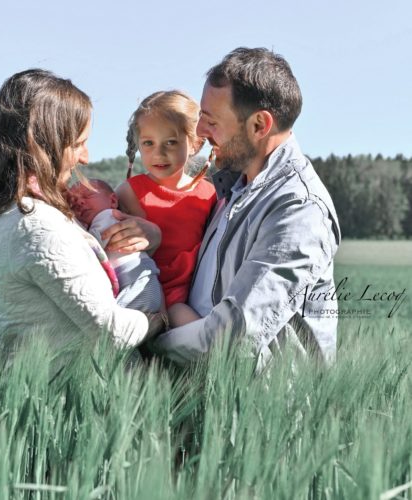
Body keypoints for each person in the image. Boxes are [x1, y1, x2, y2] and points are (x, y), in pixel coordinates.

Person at [151, 48, 341, 369]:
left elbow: (234, 336)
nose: (200, 132)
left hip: (264, 413)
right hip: (211, 401)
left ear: (259, 125)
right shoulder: (229, 189)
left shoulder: (298, 208)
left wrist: (151, 341)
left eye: (211, 121)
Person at [0, 69, 163, 356]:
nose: (86, 157)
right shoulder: (35, 225)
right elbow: (112, 331)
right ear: (40, 144)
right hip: (80, 391)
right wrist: (161, 319)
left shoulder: (7, 214)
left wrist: (152, 235)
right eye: (77, 144)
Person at [116, 90, 217, 327]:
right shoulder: (130, 192)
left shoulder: (208, 194)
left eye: (170, 142)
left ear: (194, 144)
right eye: (148, 143)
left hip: (201, 291)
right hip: (154, 294)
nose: (158, 153)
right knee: (192, 328)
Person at [67, 179, 163, 313]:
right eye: (72, 203)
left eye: (88, 196)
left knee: (121, 316)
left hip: (136, 276)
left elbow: (95, 243)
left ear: (112, 201)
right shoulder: (94, 224)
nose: (79, 202)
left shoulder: (108, 216)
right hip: (134, 277)